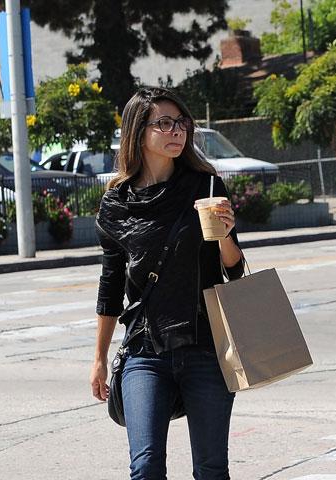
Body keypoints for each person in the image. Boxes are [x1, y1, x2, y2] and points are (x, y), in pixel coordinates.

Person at [89, 87, 244, 480]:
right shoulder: (116, 204)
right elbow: (110, 288)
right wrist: (98, 360)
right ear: (138, 132)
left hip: (206, 346)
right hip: (145, 349)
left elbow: (234, 269)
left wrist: (224, 233)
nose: (176, 131)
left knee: (211, 468)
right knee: (145, 467)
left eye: (181, 123)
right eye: (164, 124)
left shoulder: (205, 186)